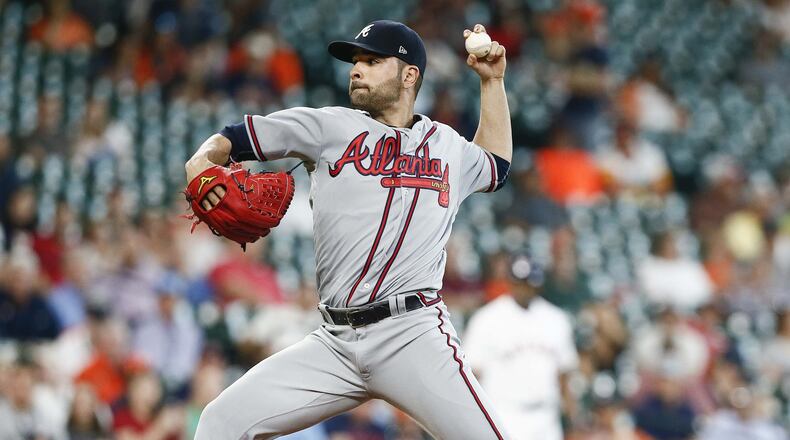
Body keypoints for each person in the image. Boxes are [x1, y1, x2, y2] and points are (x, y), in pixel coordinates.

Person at [185, 20, 513, 439]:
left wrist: (492, 82)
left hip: (411, 335)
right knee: (221, 422)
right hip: (334, 340)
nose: (356, 69)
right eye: (355, 61)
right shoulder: (329, 127)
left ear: (409, 75)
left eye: (373, 61)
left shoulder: (448, 146)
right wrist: (200, 161)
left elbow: (497, 165)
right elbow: (232, 138)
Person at [464, 254, 579, 440]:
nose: (524, 289)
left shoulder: (556, 319)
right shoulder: (487, 319)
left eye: (528, 283)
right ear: (510, 282)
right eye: (519, 282)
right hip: (505, 413)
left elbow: (564, 374)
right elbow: (472, 374)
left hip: (546, 416)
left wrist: (572, 416)